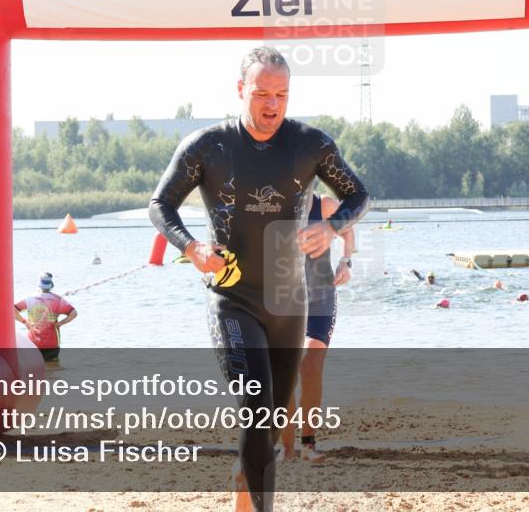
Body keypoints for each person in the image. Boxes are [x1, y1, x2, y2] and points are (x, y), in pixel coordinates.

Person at [149, 47, 369, 512]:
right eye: (262, 93)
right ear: (240, 90)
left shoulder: (310, 144)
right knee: (257, 407)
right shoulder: (208, 146)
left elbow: (357, 194)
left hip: (290, 300)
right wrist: (192, 247)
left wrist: (330, 228)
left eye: (282, 94)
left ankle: (245, 484)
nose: (272, 104)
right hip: (234, 298)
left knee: (271, 421)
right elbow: (161, 205)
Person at [279, 192, 355, 463]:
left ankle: (308, 445)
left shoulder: (324, 205)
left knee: (310, 367)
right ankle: (286, 450)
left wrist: (346, 262)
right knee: (284, 375)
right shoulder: (272, 203)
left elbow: (347, 230)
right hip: (283, 303)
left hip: (320, 299)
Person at [14, 272, 78, 361]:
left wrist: (24, 322)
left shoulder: (29, 299)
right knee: (53, 370)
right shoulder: (58, 300)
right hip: (52, 344)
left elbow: (12, 310)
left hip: (33, 343)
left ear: (39, 285)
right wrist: (60, 323)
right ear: (51, 285)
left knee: (34, 368)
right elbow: (74, 313)